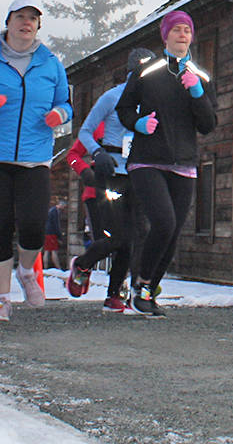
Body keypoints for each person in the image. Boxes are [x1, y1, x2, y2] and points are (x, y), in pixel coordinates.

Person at [0, 0, 72, 322]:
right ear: (8, 22)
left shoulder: (50, 63)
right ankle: (2, 299)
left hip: (35, 157)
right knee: (1, 226)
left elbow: (66, 103)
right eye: (20, 17)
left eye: (33, 18)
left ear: (38, 25)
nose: (26, 23)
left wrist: (58, 114)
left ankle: (26, 272)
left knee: (35, 224)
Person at [116, 12, 216, 317]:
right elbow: (123, 108)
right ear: (165, 36)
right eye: (176, 30)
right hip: (147, 159)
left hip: (184, 162)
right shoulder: (146, 72)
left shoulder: (201, 77)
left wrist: (197, 93)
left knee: (172, 233)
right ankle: (139, 285)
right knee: (164, 222)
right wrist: (138, 122)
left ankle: (146, 290)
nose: (182, 35)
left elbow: (209, 124)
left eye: (187, 30)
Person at [66, 47, 155, 312]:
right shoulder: (111, 98)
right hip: (109, 176)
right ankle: (82, 264)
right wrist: (96, 154)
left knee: (137, 236)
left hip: (138, 174)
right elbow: (83, 135)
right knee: (118, 237)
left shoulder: (153, 102)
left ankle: (115, 294)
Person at [43, 198, 66, 270]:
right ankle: (58, 268)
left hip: (46, 232)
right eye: (64, 206)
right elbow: (56, 225)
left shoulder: (51, 210)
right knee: (54, 251)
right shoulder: (55, 211)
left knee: (47, 250)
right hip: (51, 233)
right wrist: (59, 236)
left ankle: (45, 267)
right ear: (61, 205)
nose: (64, 208)